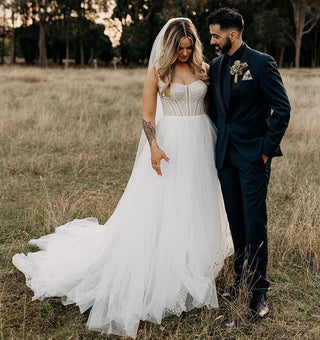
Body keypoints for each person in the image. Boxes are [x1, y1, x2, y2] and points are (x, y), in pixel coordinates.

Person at [12, 18, 233, 338]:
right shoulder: (157, 72)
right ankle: (166, 264)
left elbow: (212, 107)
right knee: (166, 203)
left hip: (201, 140)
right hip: (168, 141)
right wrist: (154, 146)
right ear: (170, 46)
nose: (185, 53)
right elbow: (147, 114)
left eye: (189, 47)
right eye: (180, 48)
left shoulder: (204, 69)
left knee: (198, 200)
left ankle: (195, 261)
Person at [206, 8, 290, 317]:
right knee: (236, 222)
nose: (212, 40)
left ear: (232, 34)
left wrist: (266, 151)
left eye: (216, 35)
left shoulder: (261, 63)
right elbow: (216, 110)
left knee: (255, 224)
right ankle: (241, 281)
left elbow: (282, 109)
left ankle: (258, 293)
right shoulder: (215, 66)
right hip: (225, 157)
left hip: (254, 157)